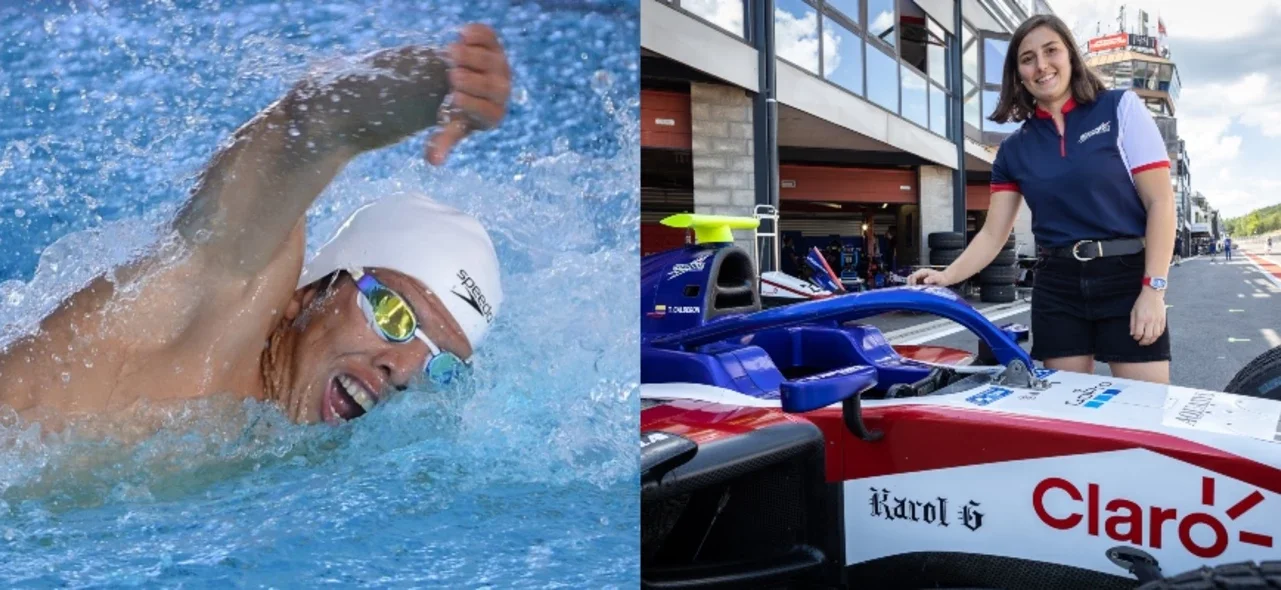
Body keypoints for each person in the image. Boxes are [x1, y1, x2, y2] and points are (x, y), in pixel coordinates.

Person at [0, 24, 513, 430]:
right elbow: (314, 122)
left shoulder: (282, 444)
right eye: (394, 315)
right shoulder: (218, 303)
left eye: (437, 368)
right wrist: (434, 83)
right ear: (307, 294)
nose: (400, 371)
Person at [907, 14, 1176, 384]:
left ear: (1070, 57)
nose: (1042, 65)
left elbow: (1161, 203)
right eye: (1027, 58)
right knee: (1065, 416)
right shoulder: (1013, 150)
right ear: (1018, 73)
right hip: (1058, 286)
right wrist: (945, 276)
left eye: (1051, 51)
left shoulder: (1120, 108)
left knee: (1144, 414)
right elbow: (992, 234)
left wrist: (1154, 289)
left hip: (1127, 278)